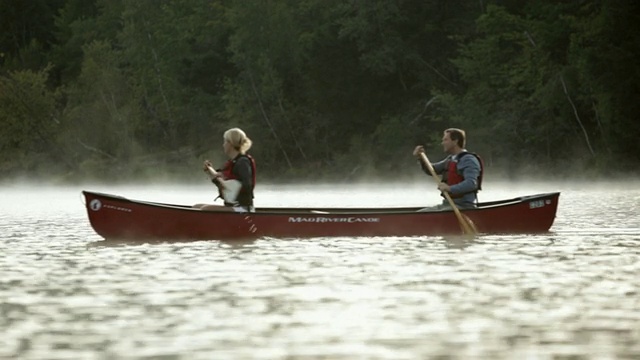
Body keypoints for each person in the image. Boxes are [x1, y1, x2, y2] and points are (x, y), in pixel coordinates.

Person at [413, 128, 483, 210]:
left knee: (436, 215)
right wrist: (421, 158)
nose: (442, 143)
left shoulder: (468, 160)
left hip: (463, 206)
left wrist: (449, 188)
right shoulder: (451, 159)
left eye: (445, 140)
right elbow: (432, 170)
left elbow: (471, 184)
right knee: (421, 214)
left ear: (455, 141)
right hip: (448, 204)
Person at [194, 128, 256, 212]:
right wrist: (210, 173)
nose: (223, 145)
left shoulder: (243, 162)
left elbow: (247, 186)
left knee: (204, 209)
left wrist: (225, 182)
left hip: (243, 209)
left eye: (225, 142)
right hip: (233, 207)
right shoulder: (232, 162)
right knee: (196, 207)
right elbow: (224, 186)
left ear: (231, 143)